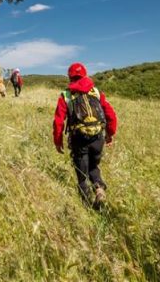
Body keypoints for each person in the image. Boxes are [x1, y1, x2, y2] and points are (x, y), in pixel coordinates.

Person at [52, 62, 118, 209]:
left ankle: (87, 206)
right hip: (98, 137)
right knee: (94, 166)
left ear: (70, 77)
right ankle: (100, 190)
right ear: (85, 74)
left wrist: (58, 141)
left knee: (82, 173)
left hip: (79, 139)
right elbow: (111, 115)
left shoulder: (66, 95)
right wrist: (110, 134)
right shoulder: (96, 92)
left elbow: (58, 121)